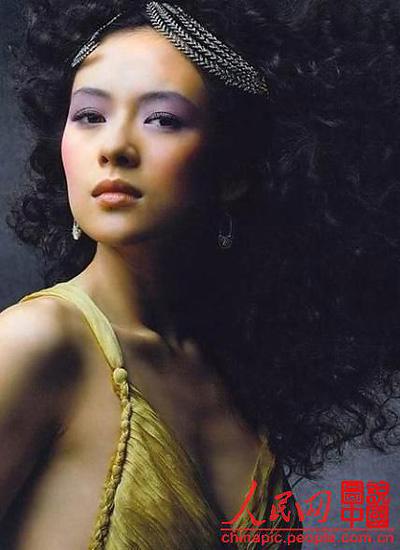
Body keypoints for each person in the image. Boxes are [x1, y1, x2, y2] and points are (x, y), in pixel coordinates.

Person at [1, 0, 399, 548]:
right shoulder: (37, 343)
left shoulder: (229, 378)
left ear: (234, 171)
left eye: (162, 119)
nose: (114, 147)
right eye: (90, 116)